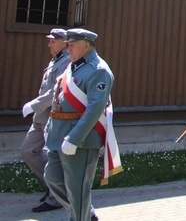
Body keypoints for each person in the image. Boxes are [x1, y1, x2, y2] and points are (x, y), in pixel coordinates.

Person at [44, 28, 116, 221]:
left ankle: (81, 215)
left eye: (72, 45)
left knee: (77, 191)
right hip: (58, 135)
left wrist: (75, 138)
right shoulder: (74, 66)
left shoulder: (98, 70)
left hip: (81, 141)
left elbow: (95, 108)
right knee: (53, 178)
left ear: (86, 46)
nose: (68, 49)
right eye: (67, 45)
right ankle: (86, 213)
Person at [20, 28, 71, 213]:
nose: (49, 44)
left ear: (64, 43)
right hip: (40, 116)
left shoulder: (67, 61)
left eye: (53, 41)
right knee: (27, 150)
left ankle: (55, 197)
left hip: (53, 116)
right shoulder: (55, 59)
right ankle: (53, 186)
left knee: (52, 156)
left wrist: (34, 104)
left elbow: (56, 90)